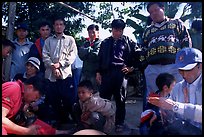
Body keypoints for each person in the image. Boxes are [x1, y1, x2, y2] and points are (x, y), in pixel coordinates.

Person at [140, 2, 192, 109]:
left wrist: (183, 63)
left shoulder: (176, 23)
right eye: (151, 12)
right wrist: (145, 66)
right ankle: (155, 119)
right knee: (153, 96)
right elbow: (143, 49)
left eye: (156, 10)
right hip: (153, 68)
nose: (154, 13)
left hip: (174, 66)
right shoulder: (147, 30)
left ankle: (178, 120)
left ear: (163, 9)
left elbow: (186, 41)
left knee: (177, 93)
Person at [96, 19, 140, 132]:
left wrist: (131, 68)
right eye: (115, 30)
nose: (117, 33)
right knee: (104, 99)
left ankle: (119, 123)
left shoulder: (129, 42)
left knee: (120, 100)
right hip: (107, 73)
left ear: (123, 30)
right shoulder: (105, 42)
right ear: (112, 29)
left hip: (121, 74)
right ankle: (103, 121)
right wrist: (98, 72)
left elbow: (138, 56)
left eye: (120, 30)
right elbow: (99, 58)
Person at [148, 47, 202, 135]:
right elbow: (170, 109)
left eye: (188, 69)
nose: (184, 74)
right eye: (181, 70)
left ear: (200, 66)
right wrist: (161, 113)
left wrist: (175, 106)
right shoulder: (178, 87)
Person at [2, 76, 71, 135]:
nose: (35, 100)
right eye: (36, 97)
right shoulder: (14, 88)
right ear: (30, 87)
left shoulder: (22, 99)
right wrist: (26, 131)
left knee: (31, 122)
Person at [42, 17, 78, 124]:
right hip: (51, 75)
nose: (59, 26)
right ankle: (60, 121)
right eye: (56, 24)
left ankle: (70, 120)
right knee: (54, 99)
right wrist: (53, 66)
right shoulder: (48, 40)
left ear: (64, 26)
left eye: (61, 24)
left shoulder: (70, 39)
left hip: (66, 74)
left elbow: (72, 55)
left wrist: (60, 65)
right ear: (53, 26)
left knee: (68, 99)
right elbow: (45, 55)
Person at [78, 24, 102, 92]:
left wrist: (87, 51)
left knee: (94, 92)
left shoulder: (100, 43)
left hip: (95, 73)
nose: (91, 34)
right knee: (83, 91)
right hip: (85, 72)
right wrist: (90, 50)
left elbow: (95, 55)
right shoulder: (85, 43)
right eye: (89, 32)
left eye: (93, 32)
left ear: (97, 32)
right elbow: (81, 54)